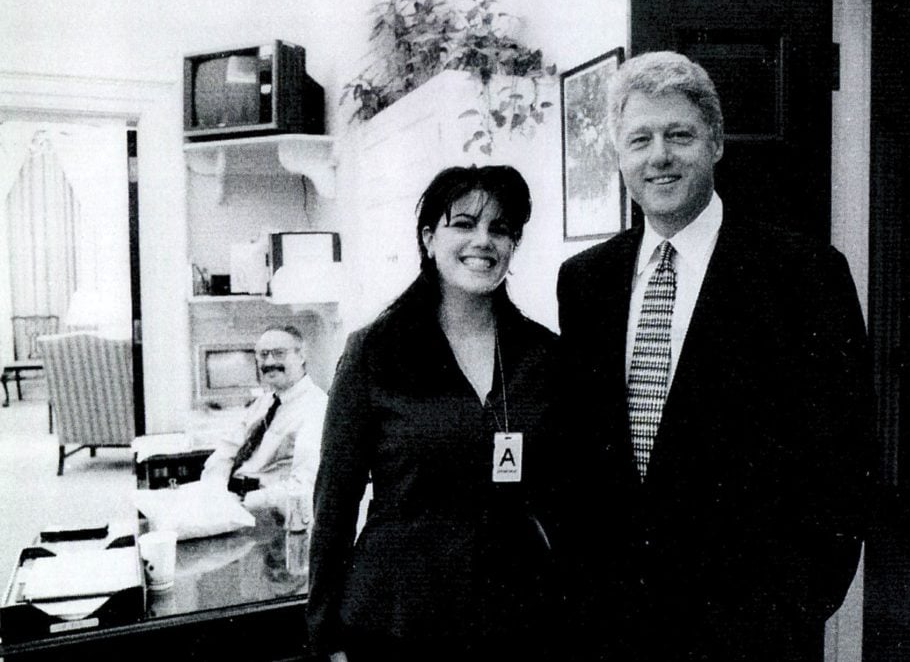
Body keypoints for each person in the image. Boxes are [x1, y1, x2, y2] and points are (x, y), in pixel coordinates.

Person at [556, 51, 875, 661]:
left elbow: (845, 456)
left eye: (679, 135)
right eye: (640, 139)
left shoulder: (803, 274)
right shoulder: (585, 281)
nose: (659, 156)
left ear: (717, 143)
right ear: (619, 156)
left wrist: (797, 602)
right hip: (615, 625)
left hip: (750, 629)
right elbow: (583, 455)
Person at [307, 166, 565, 662]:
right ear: (428, 238)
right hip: (397, 620)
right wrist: (324, 636)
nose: (483, 240)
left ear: (513, 245)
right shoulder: (375, 351)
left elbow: (563, 498)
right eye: (463, 224)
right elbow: (334, 504)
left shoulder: (543, 355)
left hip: (517, 619)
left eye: (500, 228)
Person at [200, 325, 328, 515]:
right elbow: (226, 451)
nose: (269, 362)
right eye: (263, 354)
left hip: (266, 510)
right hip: (229, 501)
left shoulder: (316, 408)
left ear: (301, 356)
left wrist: (243, 502)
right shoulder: (264, 402)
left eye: (279, 353)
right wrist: (216, 491)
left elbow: (304, 485)